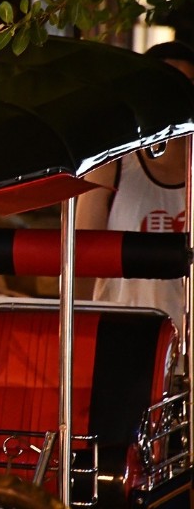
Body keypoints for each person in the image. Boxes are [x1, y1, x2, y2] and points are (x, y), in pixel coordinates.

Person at [76, 41, 194, 341]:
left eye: (185, 86)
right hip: (122, 340)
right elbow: (80, 264)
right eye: (164, 85)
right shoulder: (111, 165)